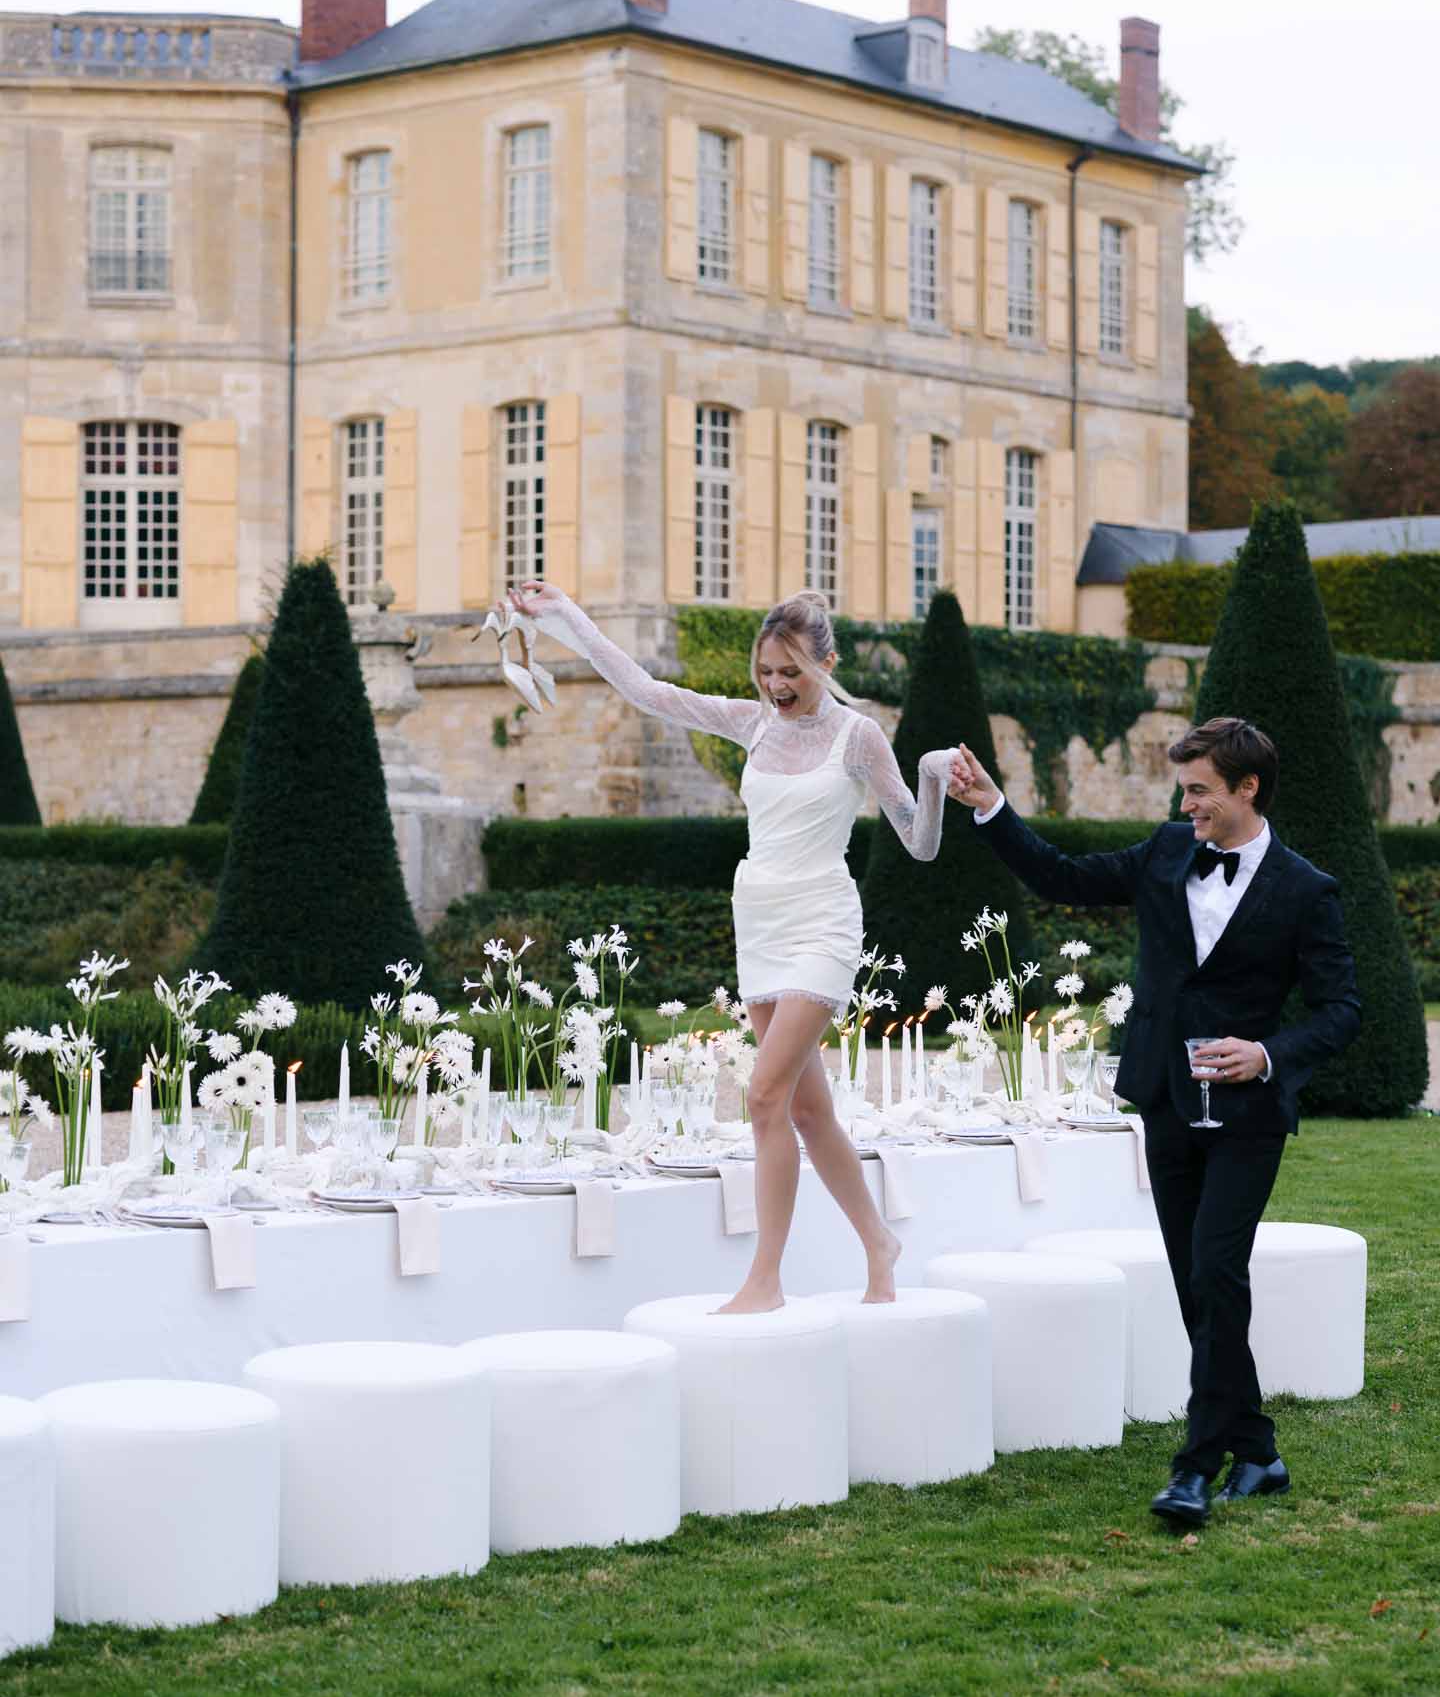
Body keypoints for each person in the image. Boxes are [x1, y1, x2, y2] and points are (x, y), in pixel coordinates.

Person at [947, 716, 1361, 1529]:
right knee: (1195, 1287)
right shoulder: (1169, 850)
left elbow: (1343, 1009)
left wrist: (1268, 1053)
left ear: (1247, 789)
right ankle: (1261, 1450)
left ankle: (1195, 1466)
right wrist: (993, 807)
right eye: (1184, 789)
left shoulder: (1307, 888)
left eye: (1200, 789)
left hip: (1246, 1115)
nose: (1186, 803)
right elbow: (1062, 876)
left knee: (1216, 1273)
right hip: (1167, 1100)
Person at [510, 581, 957, 1314]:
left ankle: (765, 1282)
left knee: (763, 1096)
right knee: (808, 1113)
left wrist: (933, 775)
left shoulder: (859, 737)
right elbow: (646, 689)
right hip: (760, 922)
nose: (778, 687)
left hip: (823, 924)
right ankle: (879, 1241)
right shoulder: (752, 724)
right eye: (768, 672)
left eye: (793, 673)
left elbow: (919, 840)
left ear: (827, 664)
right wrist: (564, 616)